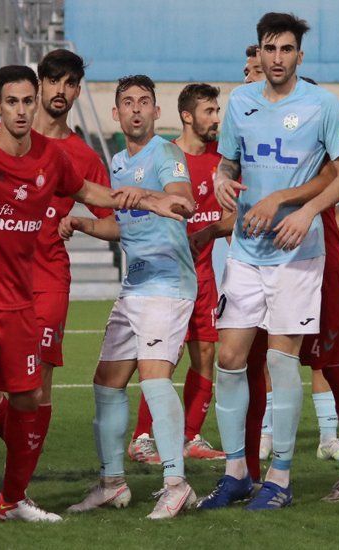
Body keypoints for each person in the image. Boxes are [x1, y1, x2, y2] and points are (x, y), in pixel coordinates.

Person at [0, 65, 191, 532]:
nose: (21, 109)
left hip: (21, 302)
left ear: (36, 103)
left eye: (27, 101)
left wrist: (151, 201)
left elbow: (91, 191)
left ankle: (11, 499)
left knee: (29, 400)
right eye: (11, 101)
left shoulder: (52, 157)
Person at [197, 12, 339, 511]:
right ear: (259, 52)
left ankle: (281, 478)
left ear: (299, 56)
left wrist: (305, 209)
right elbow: (228, 162)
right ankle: (236, 472)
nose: (277, 57)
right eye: (270, 48)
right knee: (230, 359)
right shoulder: (241, 100)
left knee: (283, 363)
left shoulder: (323, 105)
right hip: (245, 250)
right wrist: (223, 179)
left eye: (286, 49)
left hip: (297, 254)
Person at [60, 75, 198, 519]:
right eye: (127, 103)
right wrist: (83, 223)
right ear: (115, 114)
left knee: (155, 380)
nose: (136, 109)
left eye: (144, 102)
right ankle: (112, 484)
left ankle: (177, 483)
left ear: (157, 113)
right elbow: (123, 225)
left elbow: (184, 204)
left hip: (168, 285)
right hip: (134, 286)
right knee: (106, 383)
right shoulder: (116, 163)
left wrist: (150, 196)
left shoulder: (167, 154)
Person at [0, 49, 113, 469]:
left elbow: (115, 222)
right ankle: (24, 449)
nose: (62, 90)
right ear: (38, 87)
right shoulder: (1, 139)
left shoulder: (84, 157)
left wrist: (84, 224)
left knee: (36, 388)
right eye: (54, 81)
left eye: (71, 83)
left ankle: (19, 482)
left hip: (48, 279)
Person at [128, 83, 226, 463]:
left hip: (204, 278)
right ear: (187, 116)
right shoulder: (165, 157)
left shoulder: (223, 163)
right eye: (209, 111)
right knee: (163, 358)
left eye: (217, 111)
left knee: (206, 354)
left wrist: (216, 230)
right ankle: (141, 437)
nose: (215, 118)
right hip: (168, 279)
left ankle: (191, 436)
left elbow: (236, 216)